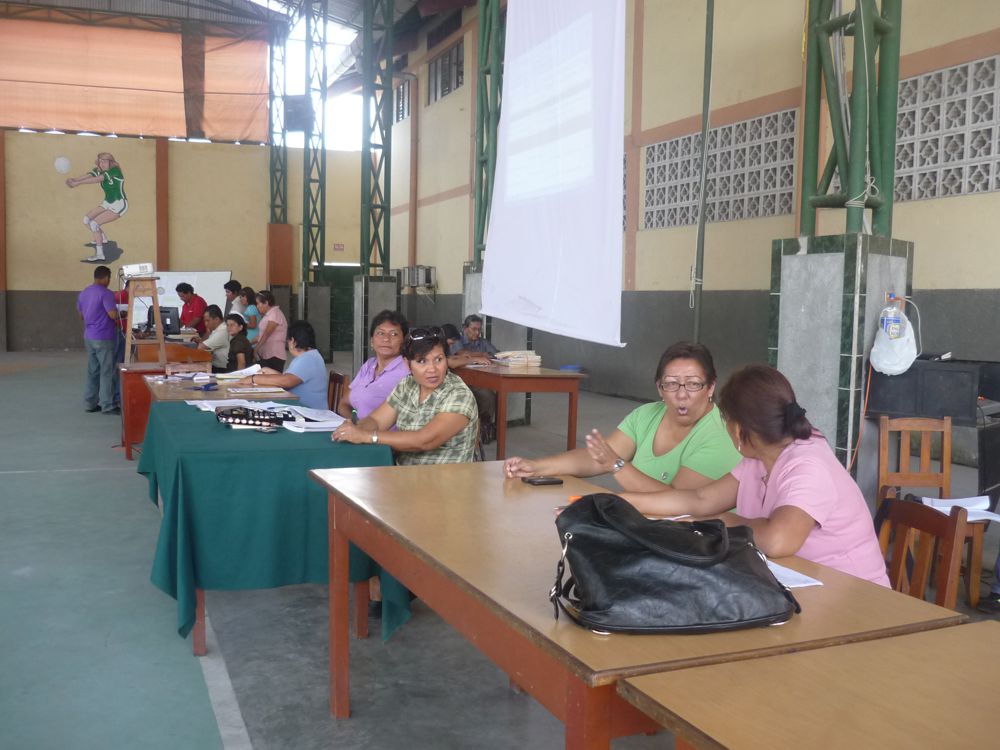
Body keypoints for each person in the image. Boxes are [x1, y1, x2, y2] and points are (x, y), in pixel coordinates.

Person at [618, 365, 890, 586]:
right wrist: (624, 503)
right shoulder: (759, 456)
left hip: (855, 598)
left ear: (737, 429)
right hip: (804, 586)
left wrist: (713, 520)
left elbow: (777, 540)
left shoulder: (809, 465)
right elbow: (700, 499)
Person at [504, 342, 741, 492]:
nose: (681, 394)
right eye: (671, 384)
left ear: (710, 388)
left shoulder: (721, 433)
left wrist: (617, 466)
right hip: (642, 524)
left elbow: (678, 503)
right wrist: (536, 467)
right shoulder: (646, 415)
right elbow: (597, 458)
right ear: (659, 388)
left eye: (693, 384)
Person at [331, 326, 478, 465]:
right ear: (407, 364)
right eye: (422, 361)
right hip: (403, 477)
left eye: (439, 359)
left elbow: (425, 440)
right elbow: (377, 420)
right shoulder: (407, 384)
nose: (432, 369)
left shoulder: (458, 394)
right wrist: (355, 429)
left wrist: (367, 436)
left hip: (445, 485)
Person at [336, 309, 410, 420]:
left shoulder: (407, 370)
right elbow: (343, 403)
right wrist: (356, 424)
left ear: (404, 341)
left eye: (394, 334)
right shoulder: (369, 365)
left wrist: (362, 430)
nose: (386, 339)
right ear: (372, 341)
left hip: (384, 436)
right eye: (380, 333)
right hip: (359, 433)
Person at [239, 320, 327, 409]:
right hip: (302, 409)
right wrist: (273, 373)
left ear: (293, 341)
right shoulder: (310, 356)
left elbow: (287, 382)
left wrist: (254, 378)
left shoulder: (307, 359)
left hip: (310, 412)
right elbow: (293, 378)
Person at [65, 152, 127, 262]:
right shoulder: (99, 169)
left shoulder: (115, 170)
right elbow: (90, 175)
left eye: (104, 161)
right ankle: (102, 237)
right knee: (86, 220)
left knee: (94, 224)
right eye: (100, 161)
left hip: (119, 204)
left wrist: (78, 184)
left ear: (110, 162)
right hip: (107, 202)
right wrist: (75, 180)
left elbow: (97, 179)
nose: (101, 163)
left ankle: (100, 254)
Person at [77, 265, 119, 414]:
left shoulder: (83, 293)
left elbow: (81, 315)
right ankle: (108, 405)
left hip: (89, 336)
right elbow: (113, 315)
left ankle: (90, 403)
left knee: (93, 371)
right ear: (106, 277)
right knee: (107, 371)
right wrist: (123, 313)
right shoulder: (106, 293)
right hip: (104, 336)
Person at [253, 290, 288, 371]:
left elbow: (266, 334)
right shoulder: (268, 314)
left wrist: (256, 348)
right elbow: (261, 335)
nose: (257, 306)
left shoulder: (274, 314)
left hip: (274, 355)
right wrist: (249, 343)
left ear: (266, 303)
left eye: (258, 303)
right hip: (266, 354)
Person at [193, 305, 230, 373]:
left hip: (221, 370)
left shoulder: (222, 332)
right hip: (217, 366)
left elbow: (201, 347)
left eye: (207, 321)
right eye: (204, 321)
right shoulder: (218, 329)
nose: (205, 324)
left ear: (217, 319)